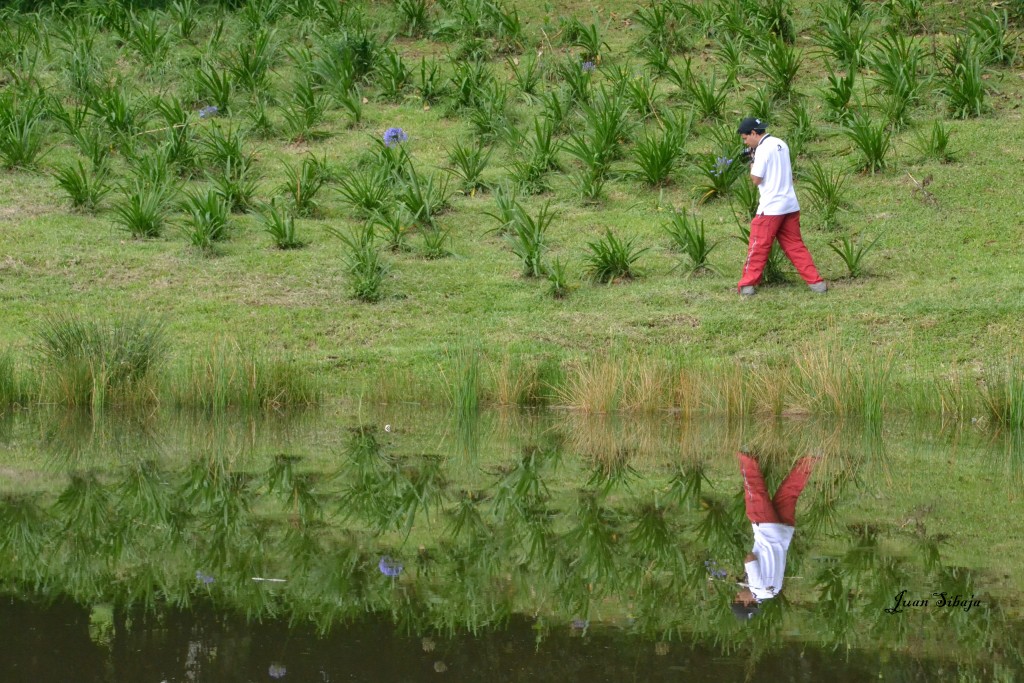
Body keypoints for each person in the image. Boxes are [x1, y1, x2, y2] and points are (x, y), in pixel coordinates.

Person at [736, 116, 827, 296]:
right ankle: (816, 283)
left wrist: (752, 161)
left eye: (745, 138)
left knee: (758, 246)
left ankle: (747, 285)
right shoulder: (781, 143)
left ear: (753, 133)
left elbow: (756, 179)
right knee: (795, 245)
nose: (746, 142)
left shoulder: (762, 149)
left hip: (771, 207)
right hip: (790, 204)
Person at [732, 451, 817, 620]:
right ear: (746, 603)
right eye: (737, 598)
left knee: (790, 492)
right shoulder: (756, 587)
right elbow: (750, 558)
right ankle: (747, 457)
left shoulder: (773, 592)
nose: (737, 594)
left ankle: (812, 459)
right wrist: (747, 575)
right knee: (754, 492)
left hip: (784, 534)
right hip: (767, 530)